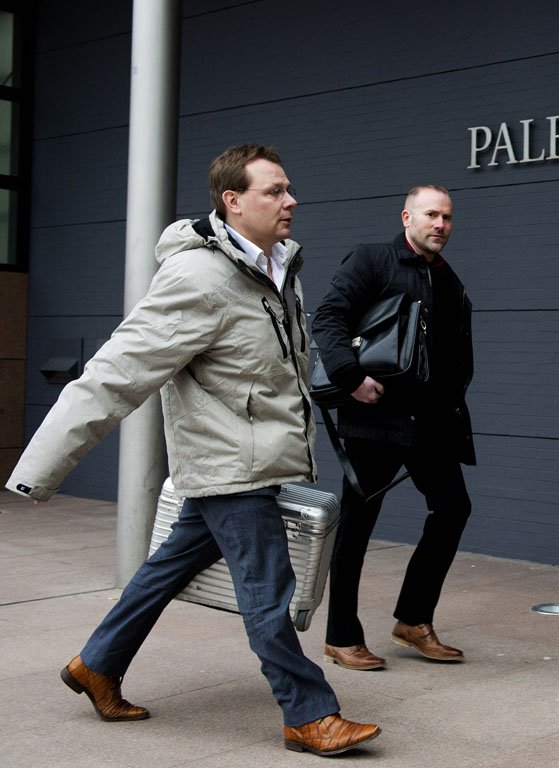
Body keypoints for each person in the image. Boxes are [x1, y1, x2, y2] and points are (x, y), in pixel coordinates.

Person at [5, 144, 380, 757]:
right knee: (269, 592)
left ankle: (95, 665)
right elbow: (116, 372)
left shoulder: (276, 269)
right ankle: (310, 714)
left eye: (289, 189)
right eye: (275, 191)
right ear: (233, 202)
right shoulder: (198, 278)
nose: (291, 201)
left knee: (162, 573)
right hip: (229, 466)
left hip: (249, 458)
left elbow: (272, 369)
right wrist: (39, 469)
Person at [312, 184, 475, 671]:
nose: (440, 225)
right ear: (407, 217)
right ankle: (341, 636)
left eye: (446, 217)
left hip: (432, 424)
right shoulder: (373, 259)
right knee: (358, 527)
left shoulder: (449, 280)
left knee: (453, 509)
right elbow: (328, 318)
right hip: (375, 419)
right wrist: (350, 378)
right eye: (431, 214)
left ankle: (412, 619)